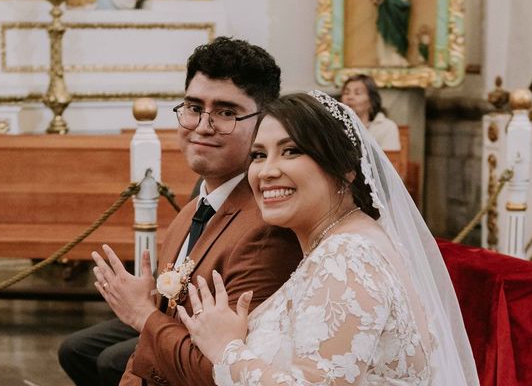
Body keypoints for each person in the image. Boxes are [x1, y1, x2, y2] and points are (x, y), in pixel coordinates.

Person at [175, 91, 479, 385]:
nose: (266, 171)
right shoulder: (347, 242)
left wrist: (226, 350)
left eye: (290, 151)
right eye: (258, 155)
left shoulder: (348, 257)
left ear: (346, 168)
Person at [60, 37, 302, 386]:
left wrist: (143, 313)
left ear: (264, 122)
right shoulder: (194, 205)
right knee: (77, 350)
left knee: (112, 360)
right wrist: (151, 302)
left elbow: (223, 368)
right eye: (192, 107)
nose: (202, 126)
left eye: (226, 112)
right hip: (177, 335)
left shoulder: (267, 226)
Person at [341, 74, 401, 151]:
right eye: (346, 93)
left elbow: (391, 160)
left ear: (371, 100)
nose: (350, 97)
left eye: (357, 93)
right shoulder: (335, 125)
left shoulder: (387, 127)